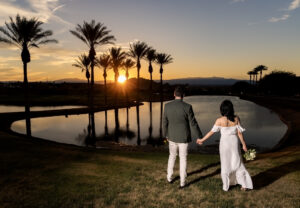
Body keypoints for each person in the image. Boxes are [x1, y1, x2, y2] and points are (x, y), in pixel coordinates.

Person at [197, 100, 253, 191]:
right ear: (231, 109)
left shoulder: (219, 120)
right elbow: (240, 133)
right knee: (238, 163)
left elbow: (211, 132)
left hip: (224, 144)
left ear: (222, 109)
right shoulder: (236, 118)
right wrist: (244, 145)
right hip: (234, 143)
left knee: (225, 163)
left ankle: (226, 186)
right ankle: (244, 184)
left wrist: (202, 140)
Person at [163, 86, 202, 188]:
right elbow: (193, 123)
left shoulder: (167, 106)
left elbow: (164, 123)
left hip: (171, 136)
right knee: (183, 158)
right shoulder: (187, 107)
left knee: (172, 156)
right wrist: (199, 136)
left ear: (174, 94)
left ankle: (169, 178)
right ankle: (182, 182)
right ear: (183, 95)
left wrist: (165, 134)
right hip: (183, 137)